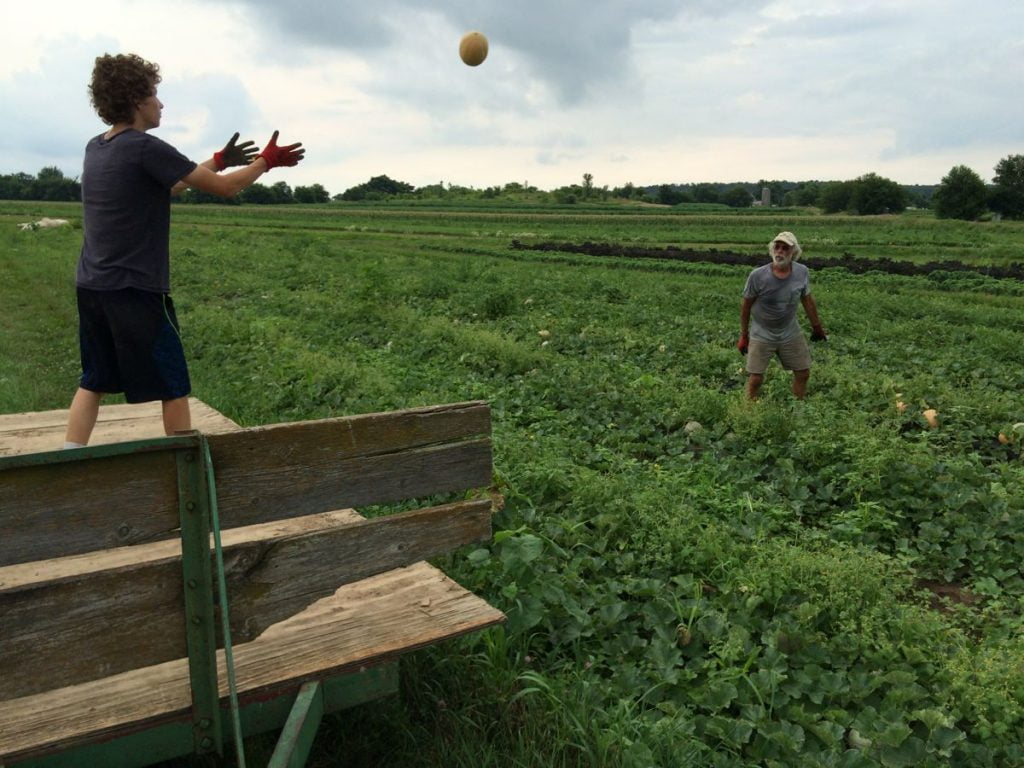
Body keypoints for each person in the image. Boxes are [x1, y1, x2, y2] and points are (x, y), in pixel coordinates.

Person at [63, 53, 305, 448]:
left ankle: (66, 462)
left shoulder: (98, 147)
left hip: (93, 286)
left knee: (94, 379)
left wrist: (218, 160)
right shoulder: (145, 147)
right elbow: (225, 189)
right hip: (135, 289)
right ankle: (184, 471)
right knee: (172, 383)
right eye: (155, 95)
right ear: (137, 100)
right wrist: (266, 161)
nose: (161, 104)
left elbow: (170, 184)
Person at [737, 231, 827, 400]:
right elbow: (746, 306)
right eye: (777, 247)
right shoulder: (758, 276)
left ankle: (797, 406)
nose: (780, 251)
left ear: (793, 252)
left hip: (789, 331)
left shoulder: (802, 272)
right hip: (762, 331)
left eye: (785, 248)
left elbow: (807, 301)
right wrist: (744, 335)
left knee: (803, 372)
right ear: (772, 250)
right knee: (755, 378)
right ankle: (748, 410)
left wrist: (817, 327)